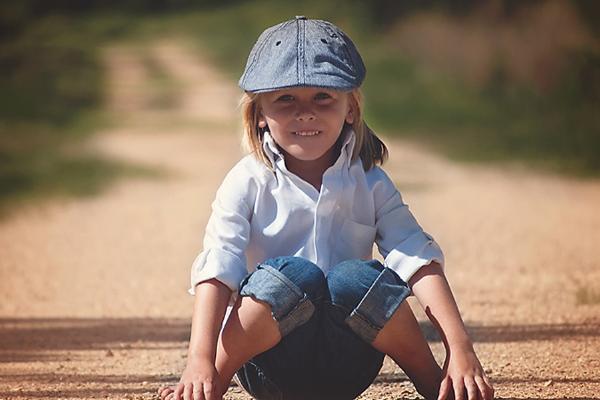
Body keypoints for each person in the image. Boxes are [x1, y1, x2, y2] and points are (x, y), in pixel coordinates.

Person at [159, 16, 494, 400]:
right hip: (269, 367)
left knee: (356, 278)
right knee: (295, 275)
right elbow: (219, 266)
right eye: (285, 99)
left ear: (350, 108)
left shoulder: (371, 182)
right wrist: (199, 360)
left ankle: (434, 381)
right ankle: (210, 388)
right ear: (260, 115)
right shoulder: (246, 181)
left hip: (348, 366)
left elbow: (416, 257)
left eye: (323, 97)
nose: (306, 112)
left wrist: (460, 347)